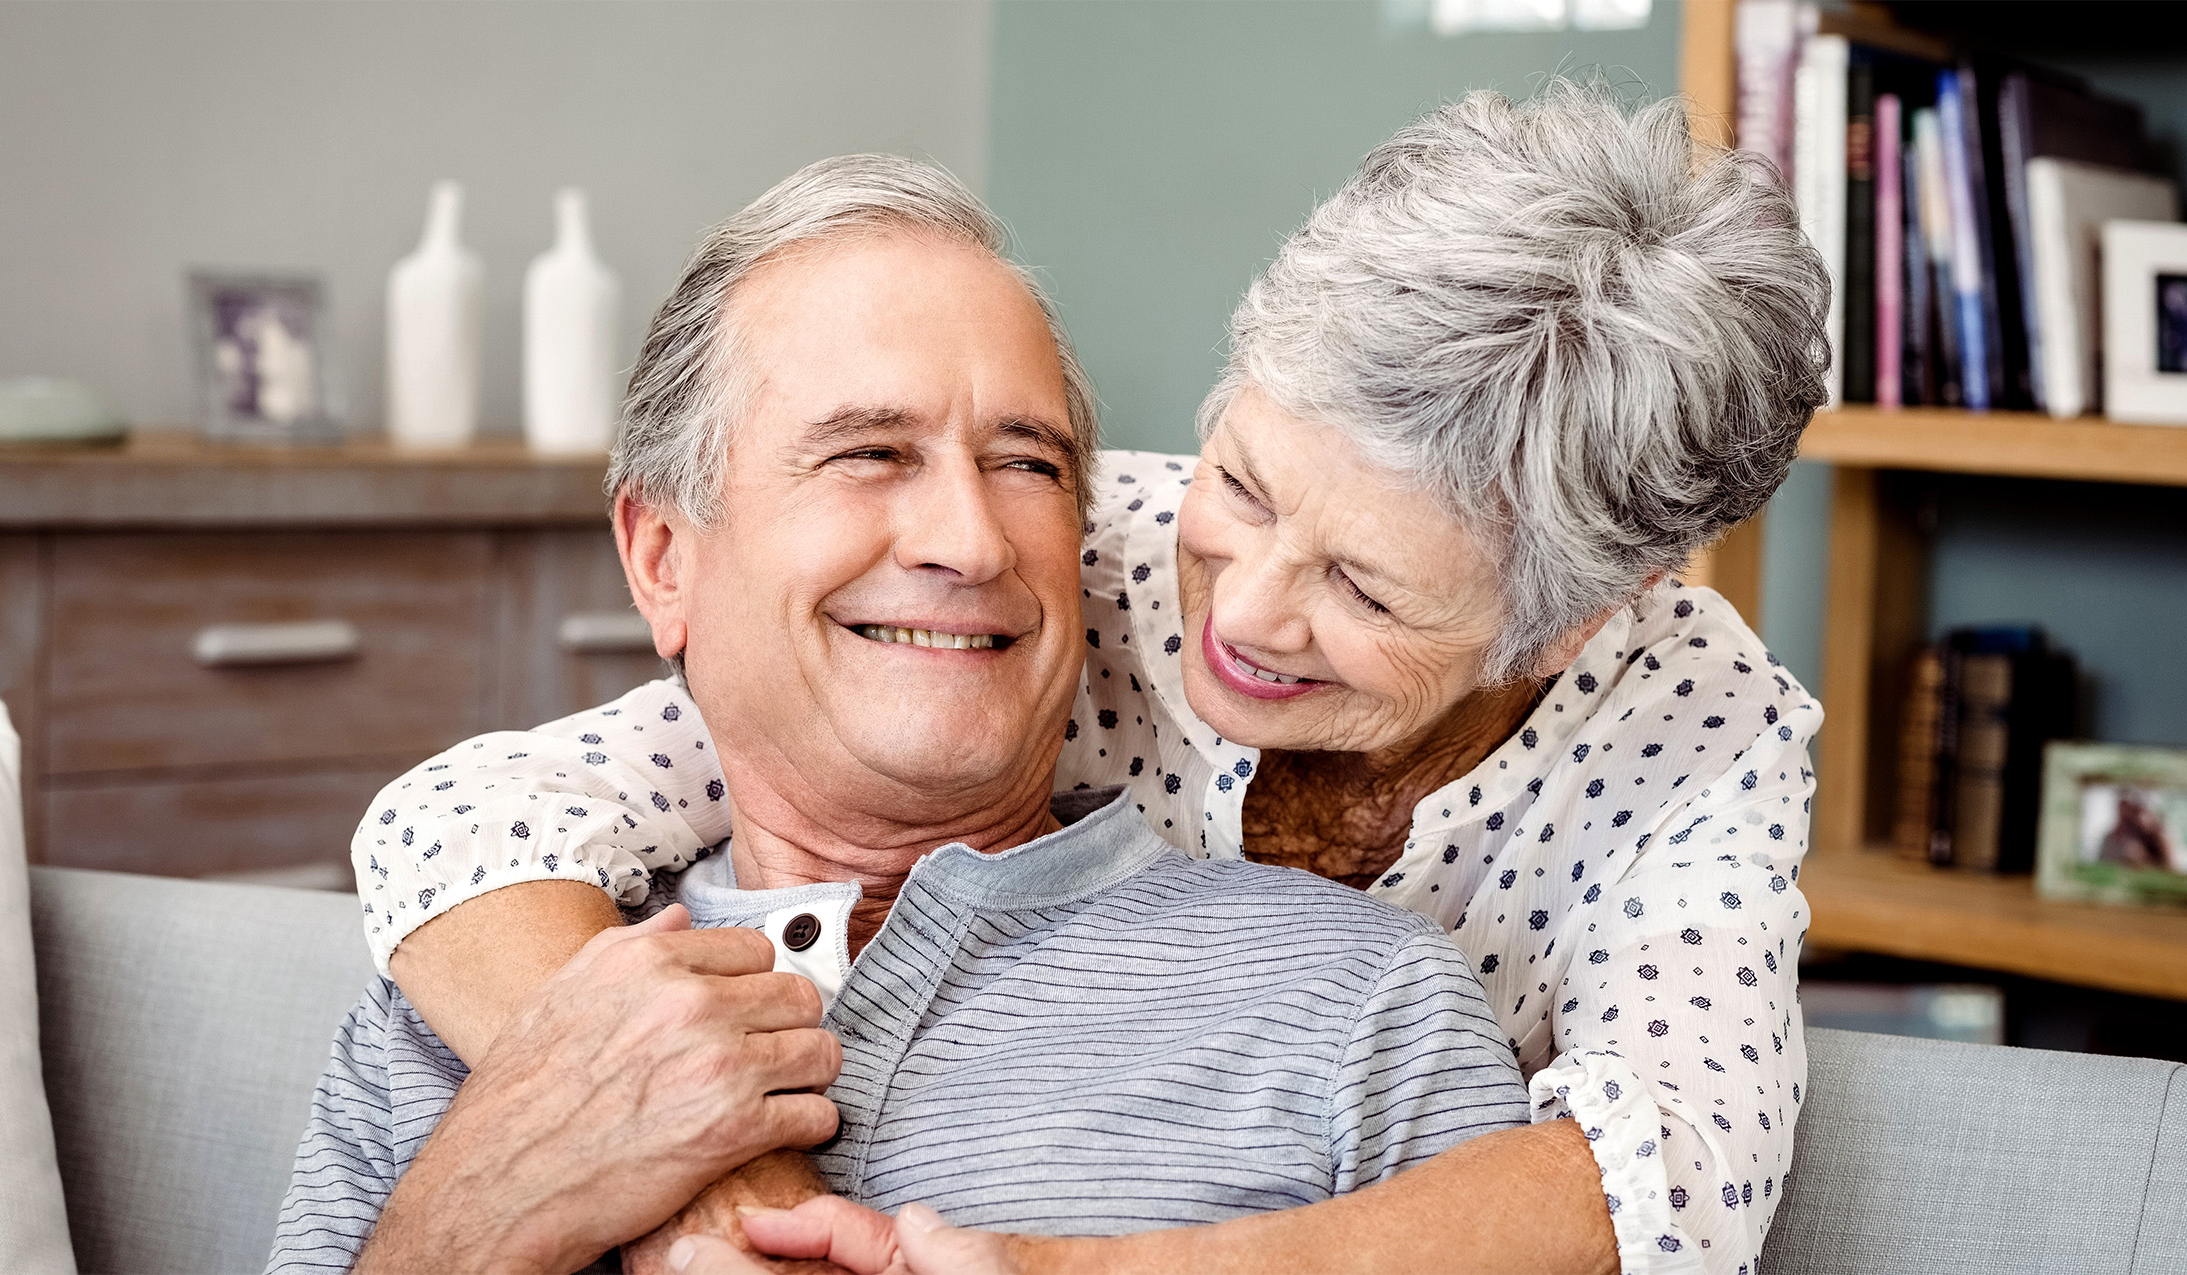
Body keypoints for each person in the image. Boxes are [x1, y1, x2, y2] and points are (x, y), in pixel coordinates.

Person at [352, 81, 1830, 1275]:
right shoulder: (1060, 545)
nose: (1239, 615)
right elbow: (485, 811)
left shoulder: (1688, 734)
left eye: (1365, 589)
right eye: (1242, 482)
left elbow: (1672, 1181)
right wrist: (692, 1158)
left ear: (1573, 624)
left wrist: (1067, 1273)